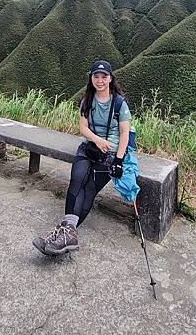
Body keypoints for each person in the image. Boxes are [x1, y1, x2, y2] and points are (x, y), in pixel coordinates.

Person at [32, 59, 132, 256]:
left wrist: (119, 161)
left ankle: (62, 235)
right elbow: (83, 128)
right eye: (96, 76)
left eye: (104, 77)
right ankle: (67, 235)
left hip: (111, 154)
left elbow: (125, 134)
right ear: (91, 78)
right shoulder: (87, 100)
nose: (100, 80)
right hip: (89, 148)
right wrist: (97, 140)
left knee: (90, 188)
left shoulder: (119, 103)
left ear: (111, 79)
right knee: (77, 180)